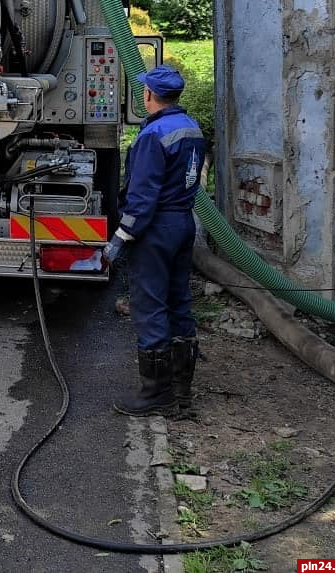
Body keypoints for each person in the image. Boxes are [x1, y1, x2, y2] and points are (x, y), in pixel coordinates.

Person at [102, 64, 206, 417]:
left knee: (150, 307)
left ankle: (155, 394)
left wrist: (119, 238)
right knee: (179, 303)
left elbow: (142, 199)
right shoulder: (190, 128)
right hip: (182, 224)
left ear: (148, 95)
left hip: (154, 231)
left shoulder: (152, 135)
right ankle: (182, 391)